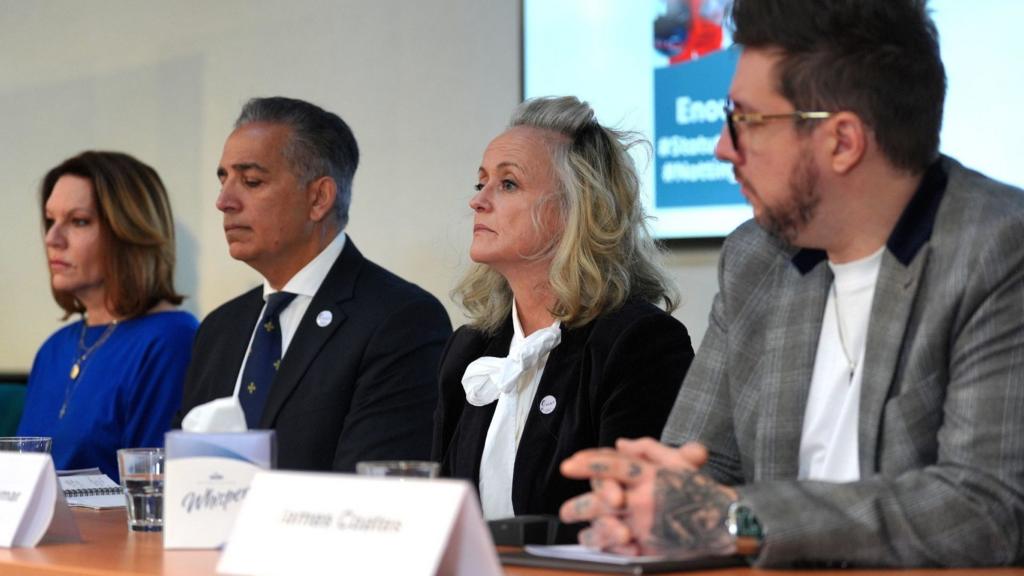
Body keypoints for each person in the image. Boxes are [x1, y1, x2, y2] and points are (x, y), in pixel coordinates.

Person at [559, 0, 1024, 568]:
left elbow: (982, 510)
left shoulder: (998, 249)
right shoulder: (755, 259)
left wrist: (734, 520)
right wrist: (644, 504)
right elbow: (700, 466)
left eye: (747, 120)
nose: (722, 148)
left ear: (843, 141)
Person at [432, 96, 695, 537]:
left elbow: (637, 523)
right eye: (480, 183)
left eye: (508, 184)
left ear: (577, 207)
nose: (478, 201)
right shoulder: (470, 348)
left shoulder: (639, 344)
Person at [176, 96, 451, 471]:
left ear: (318, 198)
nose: (224, 201)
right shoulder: (219, 329)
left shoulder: (400, 320)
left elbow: (373, 492)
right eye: (224, 179)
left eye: (252, 181)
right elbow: (185, 477)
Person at [19, 151, 198, 480]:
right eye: (50, 220)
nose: (52, 239)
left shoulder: (172, 340)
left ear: (129, 232)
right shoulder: (54, 348)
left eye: (79, 221)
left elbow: (151, 493)